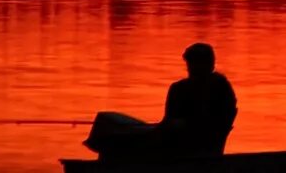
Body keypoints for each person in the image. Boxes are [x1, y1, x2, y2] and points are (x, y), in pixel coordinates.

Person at [85, 41, 237, 159]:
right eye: (190, 64)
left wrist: (176, 126)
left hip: (181, 148)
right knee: (112, 127)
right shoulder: (219, 86)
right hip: (193, 146)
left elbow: (171, 126)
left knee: (117, 140)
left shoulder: (189, 88)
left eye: (193, 63)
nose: (190, 68)